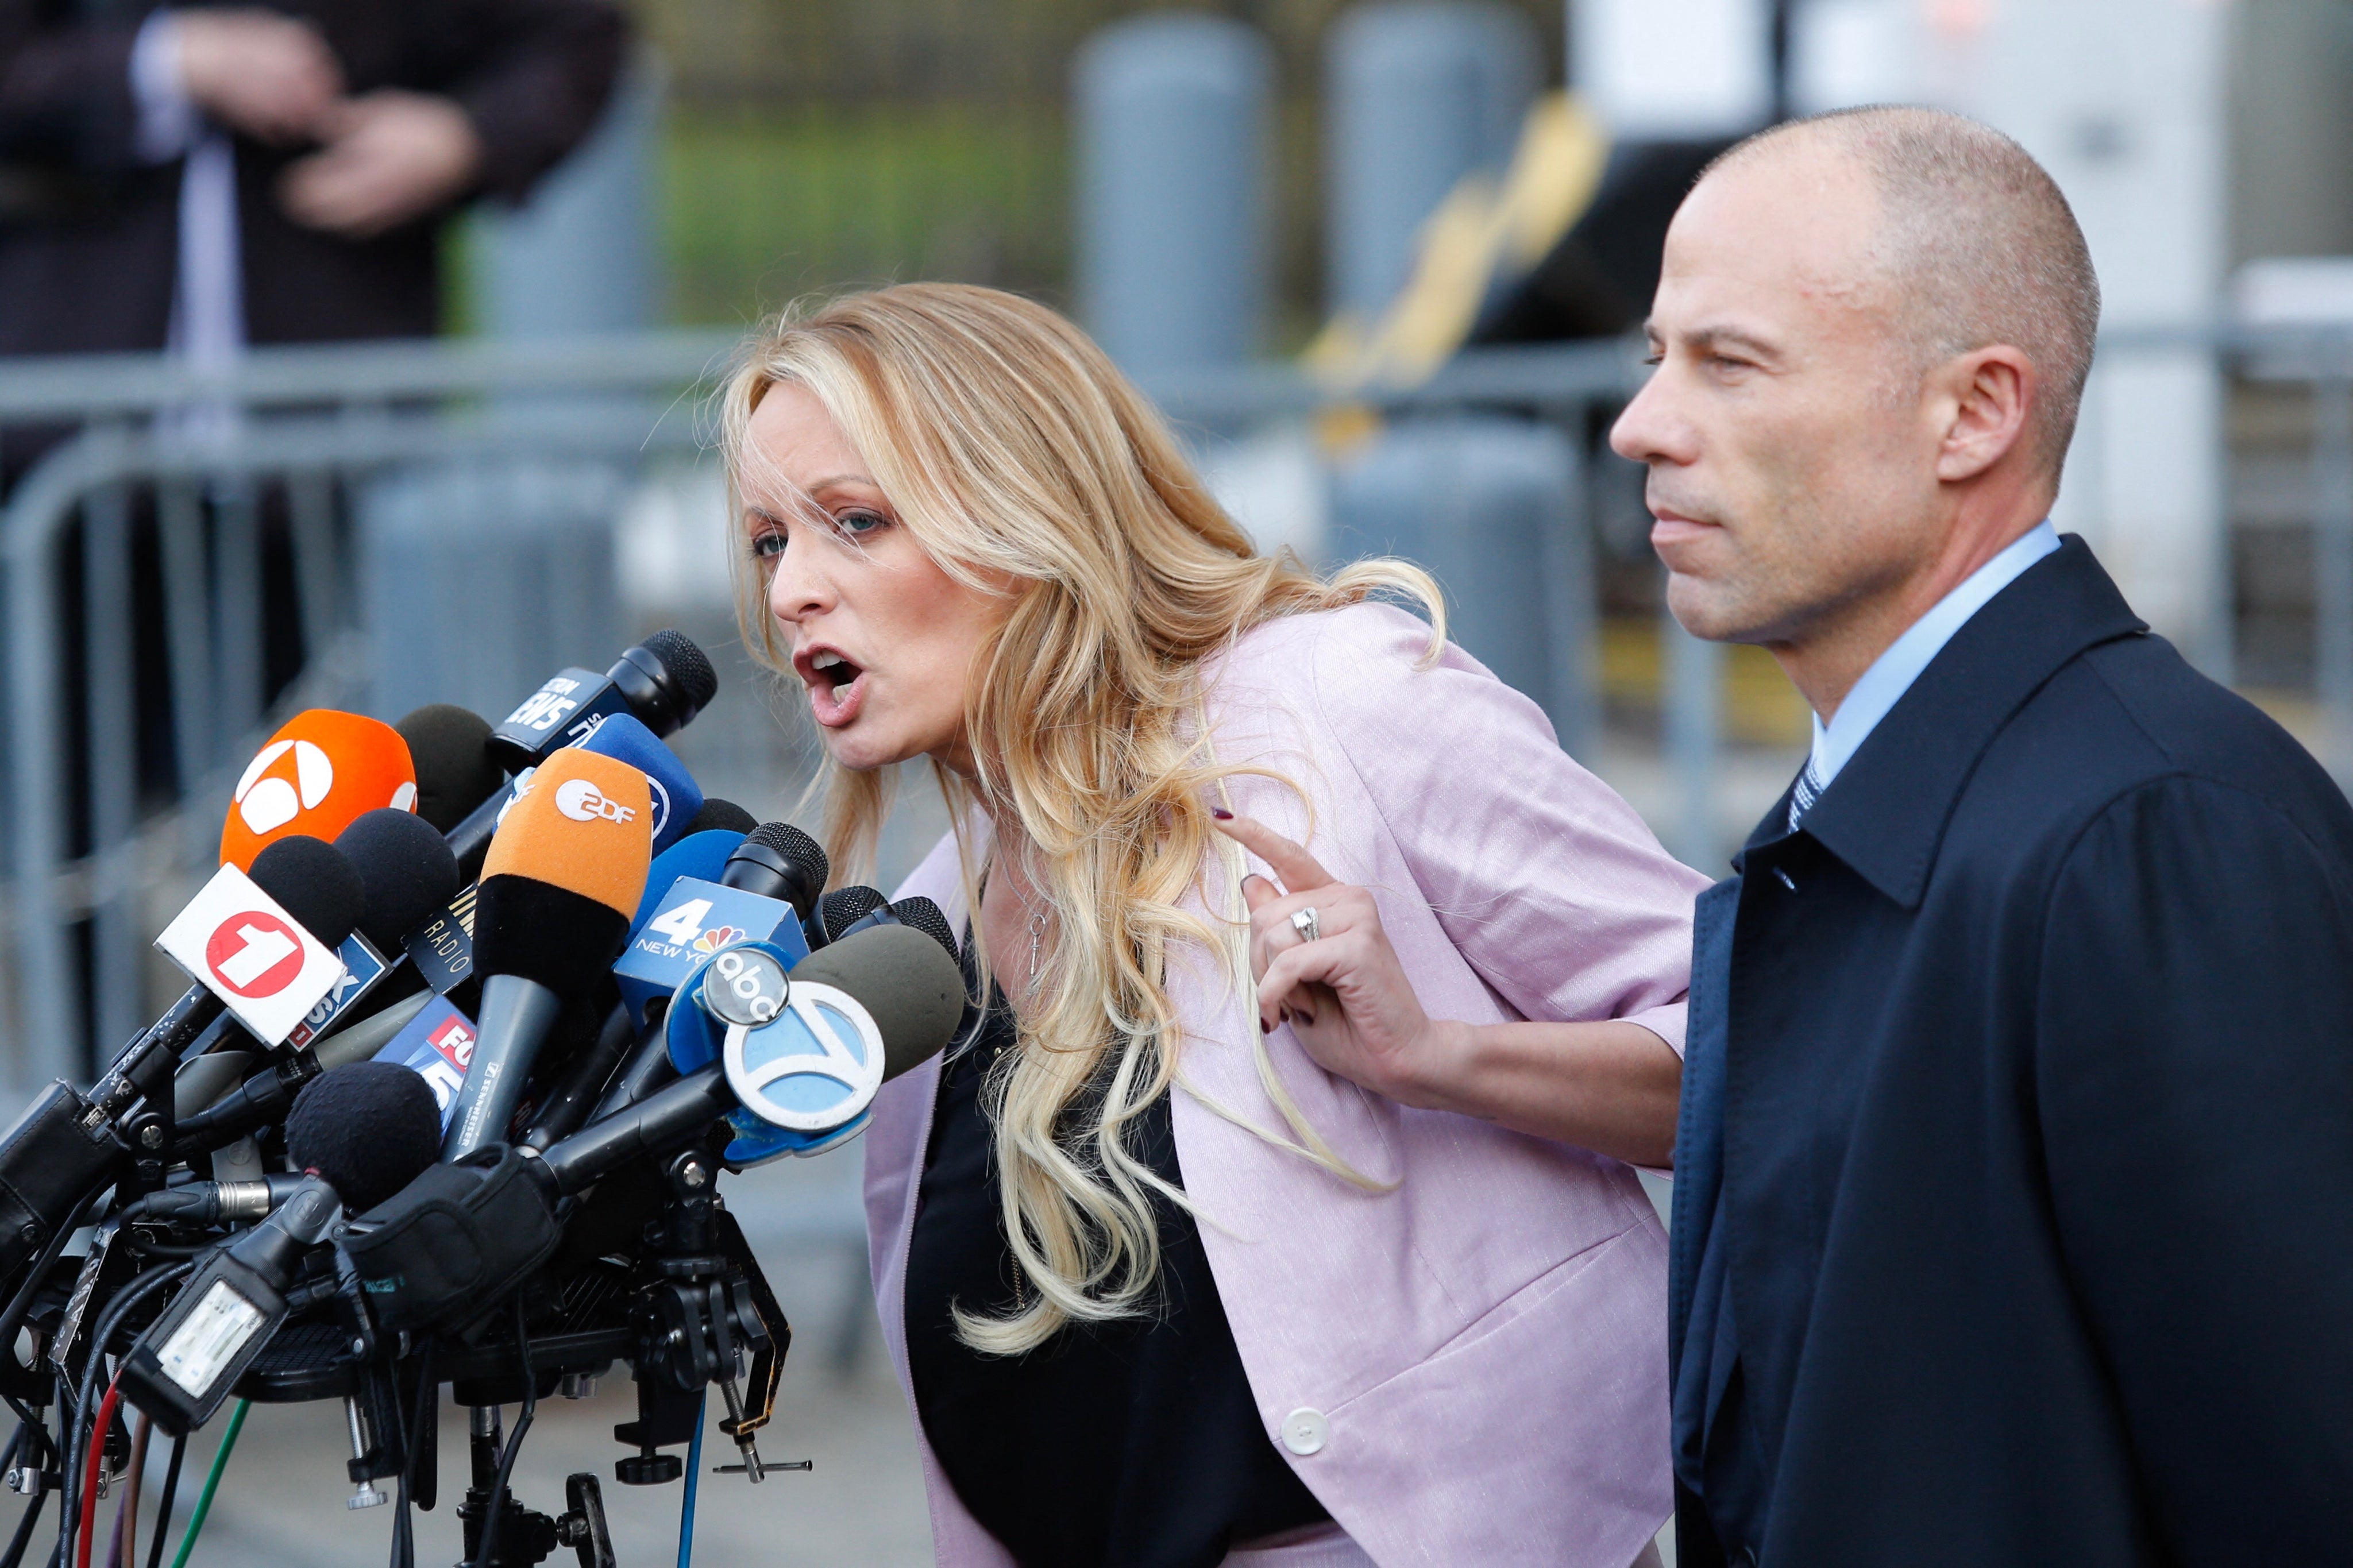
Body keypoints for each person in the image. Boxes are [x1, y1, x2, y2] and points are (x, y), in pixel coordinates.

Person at [720, 283, 1711, 1567]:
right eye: (764, 543)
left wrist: (1436, 1058)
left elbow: (1774, 1057)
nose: (793, 589)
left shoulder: (1339, 701)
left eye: (853, 522)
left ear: (1028, 512)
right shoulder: (925, 929)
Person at [1592, 108, 2353, 1565]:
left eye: (1728, 362)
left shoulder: (2153, 836)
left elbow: (2299, 1479)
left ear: (1974, 413)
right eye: (1653, 358)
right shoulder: (1884, 814)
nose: (1643, 425)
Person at [0, 0, 623, 369]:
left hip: (332, 415)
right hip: (62, 402)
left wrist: (462, 138)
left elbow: (577, 38)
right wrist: (167, 62)